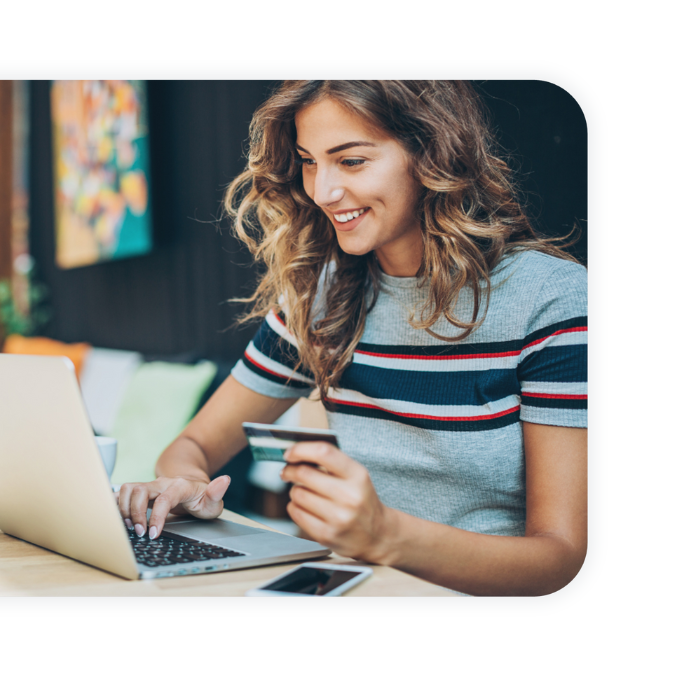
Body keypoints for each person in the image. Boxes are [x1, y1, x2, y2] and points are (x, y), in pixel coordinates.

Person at [115, 81, 587, 596]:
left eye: (352, 161)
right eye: (310, 161)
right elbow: (193, 444)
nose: (322, 191)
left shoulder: (550, 299)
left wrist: (386, 535)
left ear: (431, 153)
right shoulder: (322, 299)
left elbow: (560, 558)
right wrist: (188, 483)